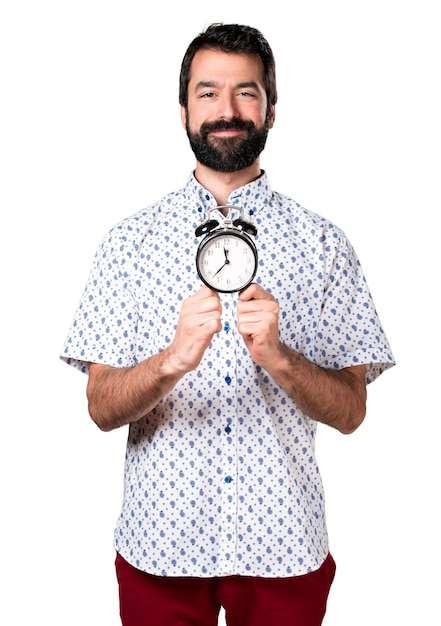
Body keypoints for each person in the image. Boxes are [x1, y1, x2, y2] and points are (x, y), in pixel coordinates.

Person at [61, 23, 395, 626]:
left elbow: (351, 412)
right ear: (183, 107)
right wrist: (171, 361)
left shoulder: (323, 244)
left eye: (247, 92)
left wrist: (280, 357)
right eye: (208, 91)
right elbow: (100, 409)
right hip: (158, 545)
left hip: (285, 547)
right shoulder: (127, 244)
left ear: (271, 108)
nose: (227, 110)